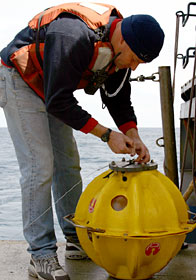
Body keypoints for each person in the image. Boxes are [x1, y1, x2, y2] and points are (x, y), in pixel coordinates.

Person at [0, 2, 164, 280]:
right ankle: (41, 256)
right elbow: (58, 101)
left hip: (52, 90)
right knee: (39, 166)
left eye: (140, 63)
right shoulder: (72, 35)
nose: (134, 67)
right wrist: (106, 135)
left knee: (68, 163)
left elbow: (119, 99)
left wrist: (133, 135)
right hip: (19, 79)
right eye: (135, 59)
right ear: (122, 39)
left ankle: (76, 238)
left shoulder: (122, 49)